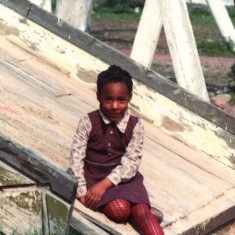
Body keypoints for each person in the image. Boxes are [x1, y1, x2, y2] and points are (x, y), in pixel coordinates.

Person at [69, 65, 164, 235]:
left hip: (123, 179)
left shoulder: (135, 125)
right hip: (93, 175)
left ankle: (142, 212)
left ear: (129, 98)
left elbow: (131, 163)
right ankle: (137, 213)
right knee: (119, 211)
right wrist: (82, 193)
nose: (114, 106)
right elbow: (76, 159)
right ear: (98, 97)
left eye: (121, 100)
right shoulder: (88, 121)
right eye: (108, 99)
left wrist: (105, 185)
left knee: (141, 211)